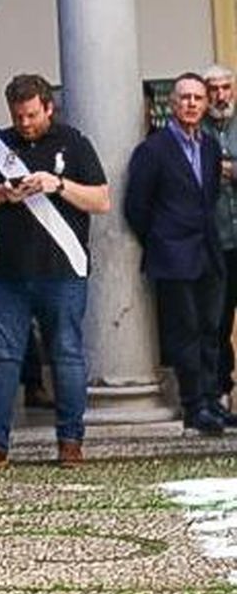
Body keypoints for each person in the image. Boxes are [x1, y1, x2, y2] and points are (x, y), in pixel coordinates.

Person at [0, 74, 111, 471]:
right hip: (6, 273)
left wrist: (57, 184)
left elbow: (101, 199)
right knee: (1, 358)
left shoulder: (74, 142)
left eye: (31, 115)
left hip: (63, 268)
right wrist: (2, 193)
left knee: (66, 355)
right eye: (18, 116)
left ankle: (70, 441)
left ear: (48, 107)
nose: (25, 123)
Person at [125, 72, 228, 434]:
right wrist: (161, 240)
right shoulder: (153, 150)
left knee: (210, 330)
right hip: (173, 255)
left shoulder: (210, 147)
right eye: (185, 97)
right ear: (173, 103)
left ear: (205, 103)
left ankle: (213, 400)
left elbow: (210, 196)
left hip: (208, 253)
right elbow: (136, 206)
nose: (192, 104)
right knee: (183, 333)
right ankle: (193, 405)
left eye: (198, 98)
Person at [202, 64, 237, 414]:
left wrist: (229, 169)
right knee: (218, 320)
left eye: (225, 87)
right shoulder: (197, 131)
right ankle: (222, 391)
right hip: (218, 243)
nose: (219, 96)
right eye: (212, 89)